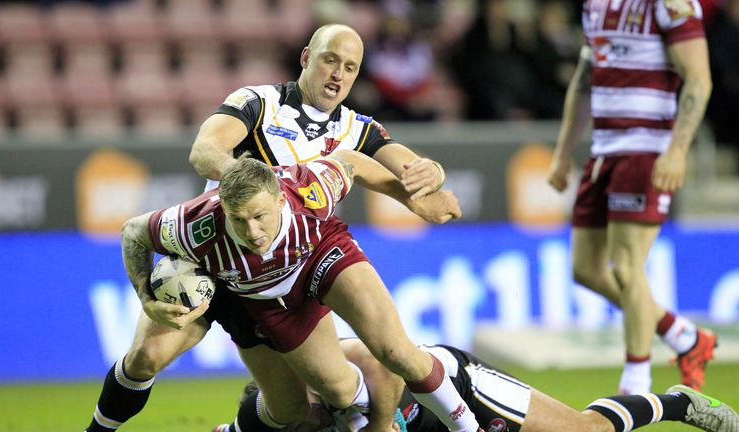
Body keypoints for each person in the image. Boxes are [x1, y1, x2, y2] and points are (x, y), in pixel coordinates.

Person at [84, 23, 462, 432]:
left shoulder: (358, 129)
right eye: (329, 60)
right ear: (306, 58)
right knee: (146, 356)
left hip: (278, 275)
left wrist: (434, 173)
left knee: (297, 411)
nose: (338, 74)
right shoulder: (259, 102)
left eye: (349, 67)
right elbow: (204, 151)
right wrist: (263, 189)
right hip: (212, 256)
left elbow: (412, 172)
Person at [87, 150, 480, 432]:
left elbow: (353, 160)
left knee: (397, 352)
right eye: (239, 221)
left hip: (319, 255)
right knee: (305, 403)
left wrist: (412, 197)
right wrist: (146, 296)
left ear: (278, 198)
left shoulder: (310, 188)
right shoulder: (194, 224)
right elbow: (132, 232)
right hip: (261, 300)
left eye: (259, 216)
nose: (252, 231)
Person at [547, 0, 716, 395]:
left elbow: (698, 78)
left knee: (626, 266)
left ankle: (636, 381)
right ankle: (684, 336)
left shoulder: (670, 3)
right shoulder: (595, 5)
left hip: (647, 148)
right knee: (585, 270)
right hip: (604, 149)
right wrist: (562, 152)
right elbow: (585, 79)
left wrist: (677, 150)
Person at [220, 338, 739, 432]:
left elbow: (374, 360)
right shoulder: (267, 419)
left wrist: (379, 423)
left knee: (584, 431)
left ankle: (677, 403)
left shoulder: (327, 378)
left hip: (454, 385)